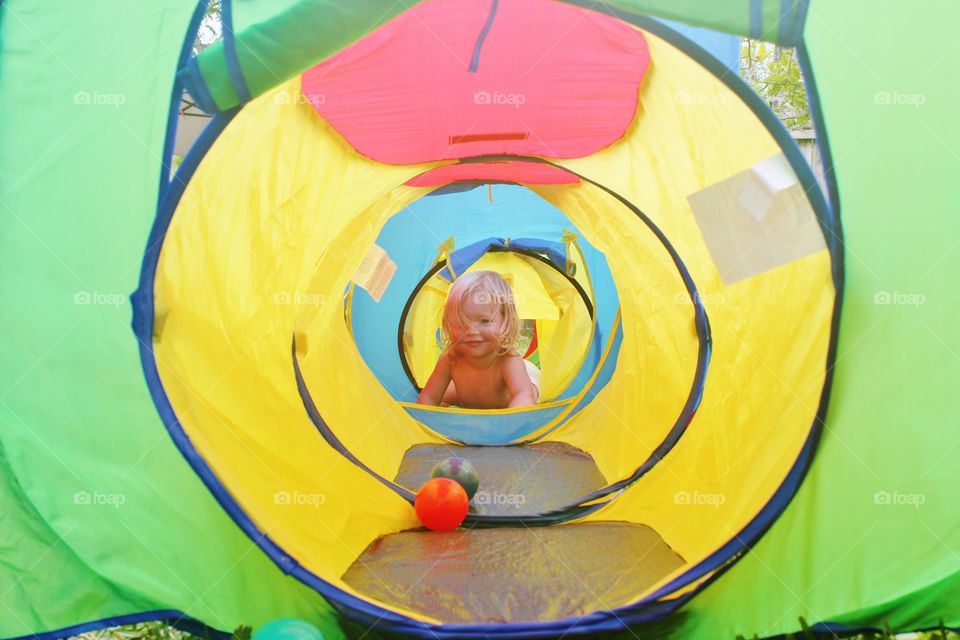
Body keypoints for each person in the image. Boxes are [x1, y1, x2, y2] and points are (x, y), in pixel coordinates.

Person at [417, 270, 539, 409]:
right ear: (448, 323)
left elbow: (522, 395)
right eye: (461, 323)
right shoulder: (450, 359)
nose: (472, 332)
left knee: (530, 395)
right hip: (472, 396)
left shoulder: (509, 360)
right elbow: (428, 397)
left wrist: (510, 424)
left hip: (526, 378)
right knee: (444, 395)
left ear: (505, 321)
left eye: (485, 321)